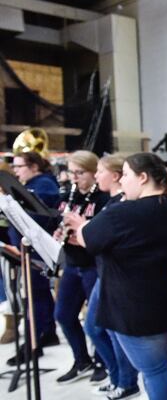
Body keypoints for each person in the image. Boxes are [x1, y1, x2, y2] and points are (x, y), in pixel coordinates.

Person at [67, 153, 167, 400]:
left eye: (125, 175)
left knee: (154, 370)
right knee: (158, 367)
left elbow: (87, 238)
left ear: (143, 178)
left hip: (135, 311)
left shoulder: (123, 213)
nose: (122, 181)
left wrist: (80, 225)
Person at [79, 154, 140, 398]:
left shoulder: (120, 204)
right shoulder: (109, 202)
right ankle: (116, 376)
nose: (95, 176)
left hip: (111, 275)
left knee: (112, 332)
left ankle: (126, 382)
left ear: (114, 176)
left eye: (100, 171)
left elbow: (105, 239)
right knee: (93, 328)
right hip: (103, 272)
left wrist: (82, 228)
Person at [53, 150, 110, 385]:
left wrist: (84, 235)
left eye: (80, 173)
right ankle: (81, 359)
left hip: (93, 265)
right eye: (72, 172)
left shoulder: (103, 199)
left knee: (96, 320)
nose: (75, 178)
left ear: (94, 172)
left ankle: (102, 362)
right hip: (72, 263)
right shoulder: (69, 195)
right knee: (63, 315)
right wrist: (59, 232)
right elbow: (60, 221)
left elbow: (104, 234)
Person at [6, 151, 60, 366]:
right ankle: (45, 332)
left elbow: (39, 217)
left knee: (35, 294)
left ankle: (36, 339)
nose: (16, 171)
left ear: (34, 166)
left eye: (20, 166)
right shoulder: (32, 184)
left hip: (37, 249)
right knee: (37, 293)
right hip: (27, 249)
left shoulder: (44, 184)